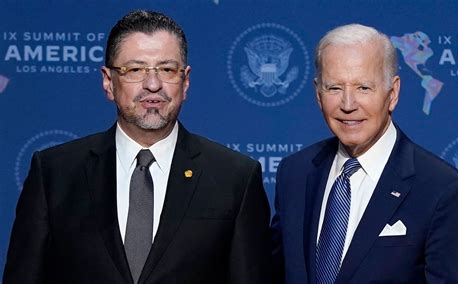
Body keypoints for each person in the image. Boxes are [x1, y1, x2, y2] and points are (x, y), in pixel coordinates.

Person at [4, 10, 271, 284]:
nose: (152, 85)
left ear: (186, 81)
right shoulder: (54, 173)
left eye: (167, 69)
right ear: (108, 81)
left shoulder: (234, 178)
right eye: (135, 70)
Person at [271, 24, 458, 283]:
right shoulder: (295, 173)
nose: (348, 104)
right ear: (317, 94)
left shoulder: (443, 191)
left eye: (363, 88)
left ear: (393, 93)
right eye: (334, 88)